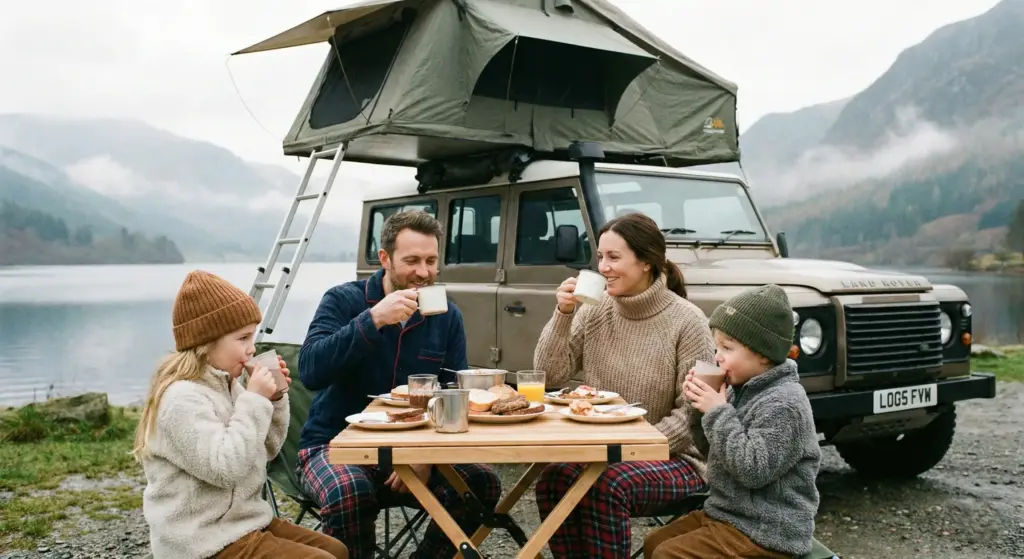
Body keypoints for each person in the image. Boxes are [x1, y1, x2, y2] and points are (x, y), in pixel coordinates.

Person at [296, 210, 501, 559]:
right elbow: (311, 371)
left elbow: (453, 397)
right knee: (350, 493)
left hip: (414, 449)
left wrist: (423, 455)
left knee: (482, 482)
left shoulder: (447, 314)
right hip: (333, 446)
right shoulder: (343, 300)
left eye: (431, 261)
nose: (423, 272)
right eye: (412, 261)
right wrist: (373, 320)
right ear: (385, 258)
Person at [532, 212, 715, 559]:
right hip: (605, 451)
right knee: (554, 478)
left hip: (677, 458)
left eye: (614, 257)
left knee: (606, 484)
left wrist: (634, 445)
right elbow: (548, 375)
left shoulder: (687, 321)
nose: (603, 267)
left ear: (646, 261)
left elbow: (693, 415)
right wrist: (563, 313)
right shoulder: (594, 308)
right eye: (600, 256)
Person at [134, 270, 348, 559]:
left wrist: (274, 400)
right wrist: (255, 399)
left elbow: (268, 450)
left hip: (244, 524)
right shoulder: (181, 399)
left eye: (253, 337)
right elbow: (225, 469)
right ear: (207, 342)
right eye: (243, 338)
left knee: (335, 549)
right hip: (200, 542)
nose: (252, 349)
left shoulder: (229, 386)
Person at [644, 284, 822, 559]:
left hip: (768, 531)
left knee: (669, 555)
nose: (718, 357)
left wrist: (717, 412)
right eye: (717, 347)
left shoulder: (785, 403)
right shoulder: (740, 389)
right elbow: (713, 453)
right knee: (654, 542)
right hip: (727, 515)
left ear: (763, 354)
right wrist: (698, 407)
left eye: (727, 347)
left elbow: (753, 470)